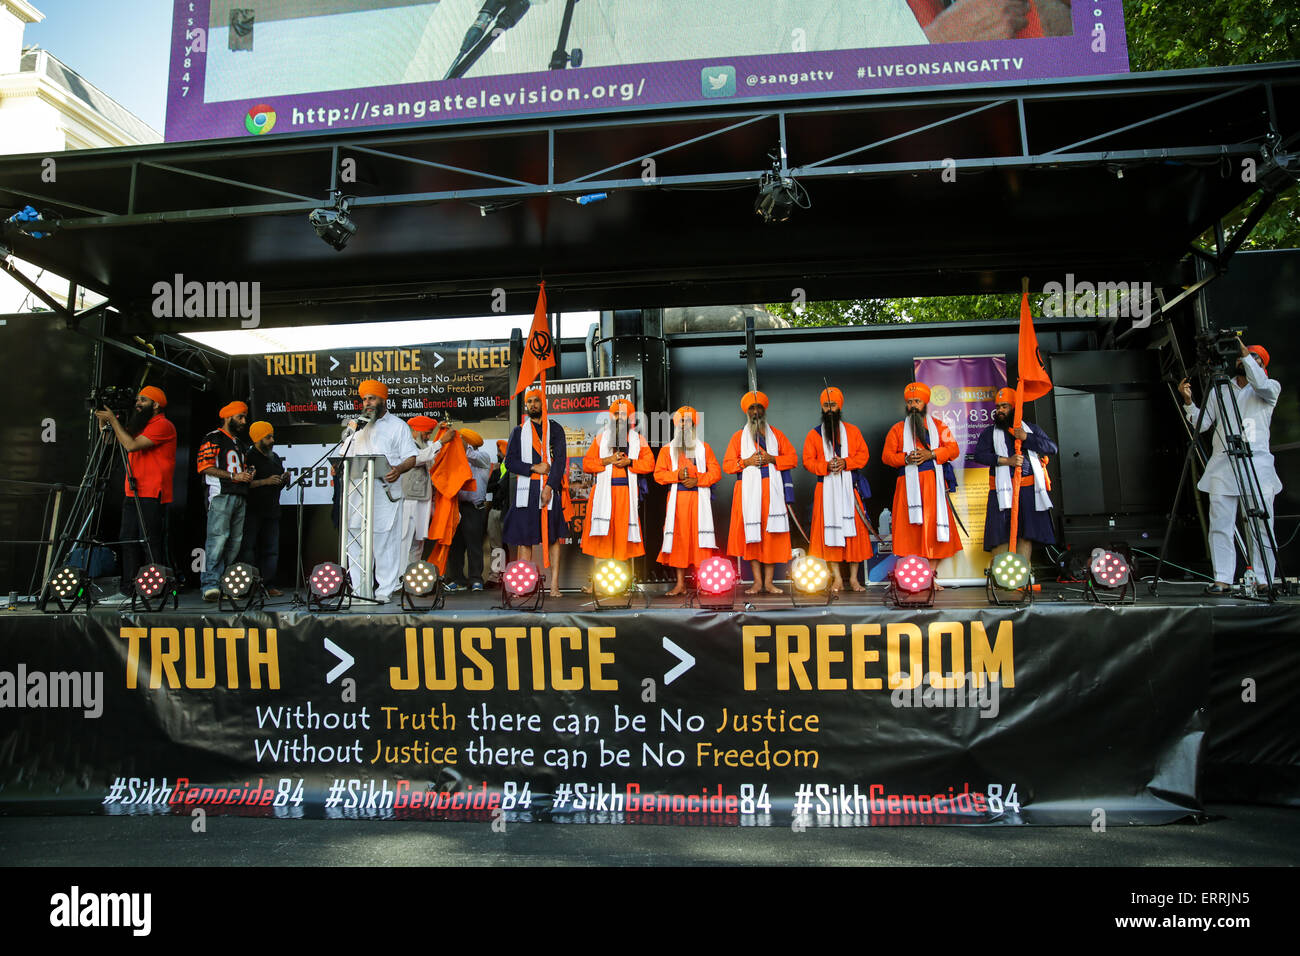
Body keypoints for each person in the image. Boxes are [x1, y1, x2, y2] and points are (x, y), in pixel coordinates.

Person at [1179, 342, 1283, 594]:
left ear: (1262, 364)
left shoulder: (1269, 388)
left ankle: (1264, 578)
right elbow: (1201, 425)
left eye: (1254, 358)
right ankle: (1223, 578)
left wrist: (1249, 358)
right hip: (1224, 465)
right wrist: (1189, 401)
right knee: (1221, 524)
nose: (1244, 360)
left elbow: (1260, 384)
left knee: (1260, 524)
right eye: (1243, 356)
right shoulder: (1220, 389)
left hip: (1256, 464)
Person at [93, 385, 176, 600]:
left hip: (152, 491)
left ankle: (155, 589)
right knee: (127, 539)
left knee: (148, 540)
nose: (138, 404)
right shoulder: (141, 425)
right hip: (133, 491)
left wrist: (113, 421)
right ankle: (128, 589)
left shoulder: (163, 425)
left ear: (156, 405)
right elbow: (111, 441)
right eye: (137, 400)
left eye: (143, 400)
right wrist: (104, 421)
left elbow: (130, 445)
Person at [340, 380, 419, 603]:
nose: (367, 403)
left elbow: (411, 457)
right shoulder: (355, 426)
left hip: (385, 493)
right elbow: (342, 454)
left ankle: (385, 589)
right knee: (354, 538)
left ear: (384, 400)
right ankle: (358, 589)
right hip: (357, 493)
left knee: (385, 541)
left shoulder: (398, 426)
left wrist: (399, 469)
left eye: (372, 398)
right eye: (364, 399)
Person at [881, 382, 963, 570]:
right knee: (910, 529)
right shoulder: (897, 429)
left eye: (917, 401)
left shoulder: (939, 426)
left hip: (932, 484)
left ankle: (931, 575)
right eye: (909, 402)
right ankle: (913, 574)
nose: (913, 405)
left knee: (933, 528)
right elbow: (886, 456)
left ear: (925, 404)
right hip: (906, 485)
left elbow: (954, 449)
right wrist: (906, 457)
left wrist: (931, 454)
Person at [972, 388, 1058, 562]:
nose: (1000, 411)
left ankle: (1021, 576)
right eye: (998, 407)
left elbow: (1052, 448)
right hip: (1001, 492)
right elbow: (979, 455)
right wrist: (1007, 461)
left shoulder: (1030, 429)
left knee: (1026, 534)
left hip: (1027, 490)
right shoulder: (990, 432)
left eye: (1004, 406)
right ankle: (1001, 576)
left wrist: (1027, 437)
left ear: (1015, 408)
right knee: (1000, 534)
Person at [725, 390, 798, 595]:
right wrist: (746, 462)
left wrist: (772, 458)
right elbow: (728, 466)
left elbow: (792, 458)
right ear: (747, 412)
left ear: (764, 410)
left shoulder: (777, 435)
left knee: (770, 537)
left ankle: (769, 582)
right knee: (754, 538)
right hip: (748, 494)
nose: (755, 411)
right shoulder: (738, 437)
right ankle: (756, 582)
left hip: (772, 493)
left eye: (759, 408)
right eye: (752, 408)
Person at [802, 386, 872, 593]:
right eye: (826, 405)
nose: (829, 409)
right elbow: (808, 461)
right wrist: (826, 466)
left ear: (839, 406)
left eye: (833, 405)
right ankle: (837, 579)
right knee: (829, 535)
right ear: (821, 408)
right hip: (826, 489)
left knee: (854, 536)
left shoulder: (853, 431)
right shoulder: (814, 434)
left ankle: (853, 579)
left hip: (850, 489)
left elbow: (863, 455)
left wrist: (845, 462)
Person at [503, 388, 568, 596]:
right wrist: (533, 467)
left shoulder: (555, 429)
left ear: (543, 403)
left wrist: (549, 486)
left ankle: (555, 585)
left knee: (553, 537)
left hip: (549, 487)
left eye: (536, 401)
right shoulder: (518, 431)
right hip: (526, 489)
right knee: (525, 538)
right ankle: (525, 586)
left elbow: (560, 461)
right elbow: (510, 462)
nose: (532, 404)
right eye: (529, 401)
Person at [581, 399, 656, 575]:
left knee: (623, 536)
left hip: (625, 493)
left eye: (623, 414)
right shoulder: (601, 439)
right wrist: (609, 460)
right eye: (616, 414)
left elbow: (650, 464)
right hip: (602, 493)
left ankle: (621, 582)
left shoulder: (639, 440)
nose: (620, 417)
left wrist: (629, 461)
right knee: (601, 537)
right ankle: (599, 583)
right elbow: (587, 464)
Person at [654, 406, 722, 596]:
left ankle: (704, 583)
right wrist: (677, 475)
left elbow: (716, 472)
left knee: (701, 541)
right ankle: (680, 585)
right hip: (677, 501)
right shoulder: (667, 450)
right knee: (679, 540)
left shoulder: (704, 448)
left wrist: (697, 480)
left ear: (693, 425)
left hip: (699, 500)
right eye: (681, 421)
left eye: (688, 421)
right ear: (676, 425)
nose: (684, 425)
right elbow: (658, 475)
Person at [196, 400, 255, 601]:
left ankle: (226, 584)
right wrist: (233, 476)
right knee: (217, 540)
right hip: (220, 494)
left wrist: (246, 474)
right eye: (240, 417)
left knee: (235, 543)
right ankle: (209, 585)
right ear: (228, 417)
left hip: (239, 495)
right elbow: (204, 467)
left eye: (245, 417)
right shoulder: (213, 437)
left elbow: (238, 469)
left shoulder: (239, 443)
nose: (244, 421)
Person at [238, 421, 289, 596]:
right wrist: (265, 481)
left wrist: (283, 480)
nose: (272, 440)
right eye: (268, 437)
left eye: (272, 436)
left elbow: (277, 485)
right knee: (248, 548)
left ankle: (268, 585)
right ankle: (250, 585)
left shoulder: (273, 457)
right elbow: (242, 484)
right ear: (258, 438)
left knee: (271, 549)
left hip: (272, 510)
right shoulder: (248, 456)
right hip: (252, 510)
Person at [445, 427, 494, 592]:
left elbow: (469, 455)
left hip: (474, 508)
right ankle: (457, 579)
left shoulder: (483, 457)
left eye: (462, 440)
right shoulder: (458, 458)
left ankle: (475, 579)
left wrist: (459, 442)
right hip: (456, 507)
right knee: (455, 545)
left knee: (474, 545)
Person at [399, 415, 443, 567]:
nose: (428, 436)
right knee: (405, 538)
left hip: (424, 498)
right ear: (417, 431)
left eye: (430, 433)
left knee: (419, 539)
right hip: (409, 498)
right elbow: (416, 459)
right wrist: (441, 442)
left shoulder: (425, 446)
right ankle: (399, 578)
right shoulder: (407, 445)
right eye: (427, 432)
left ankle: (412, 574)